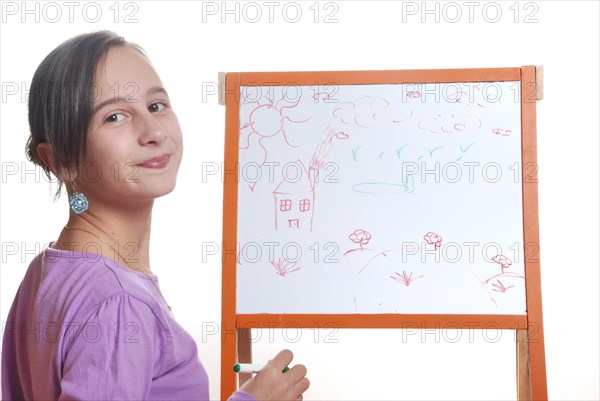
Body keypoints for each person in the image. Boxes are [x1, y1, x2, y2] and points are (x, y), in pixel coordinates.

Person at [1, 30, 310, 401]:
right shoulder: (117, 300)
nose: (153, 131)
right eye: (115, 116)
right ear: (61, 160)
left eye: (156, 105)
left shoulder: (47, 272)